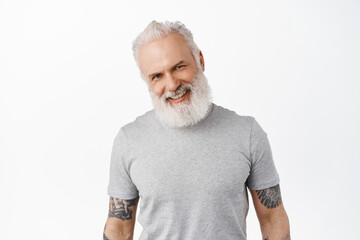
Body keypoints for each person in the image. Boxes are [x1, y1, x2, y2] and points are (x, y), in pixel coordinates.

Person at [103, 20, 290, 240]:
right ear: (147, 81)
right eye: (157, 76)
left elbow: (272, 217)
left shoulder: (246, 133)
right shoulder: (129, 140)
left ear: (199, 60)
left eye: (179, 67)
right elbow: (119, 227)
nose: (172, 85)